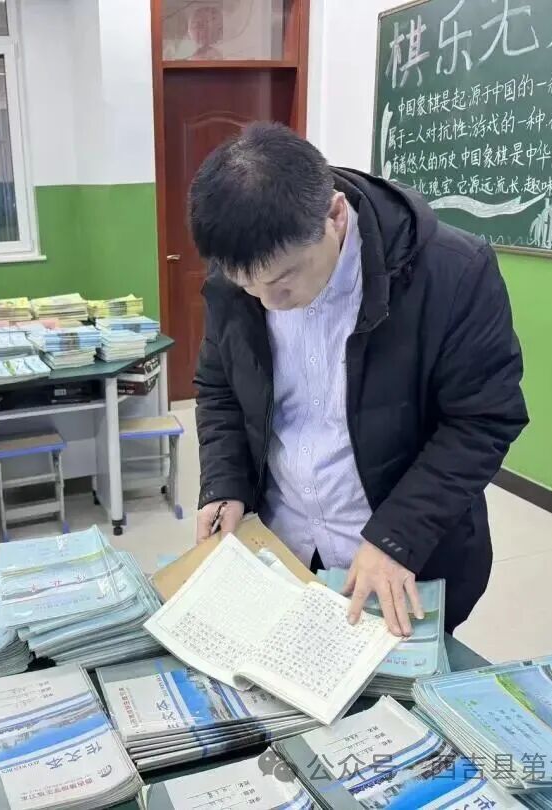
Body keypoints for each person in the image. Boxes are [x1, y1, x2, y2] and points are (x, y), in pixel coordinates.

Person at [191, 122, 528, 635]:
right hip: (283, 550)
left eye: (284, 279)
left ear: (334, 215)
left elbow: (483, 421)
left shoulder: (452, 273)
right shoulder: (241, 269)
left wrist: (397, 536)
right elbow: (219, 389)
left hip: (404, 558)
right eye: (248, 286)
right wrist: (225, 482)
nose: (267, 302)